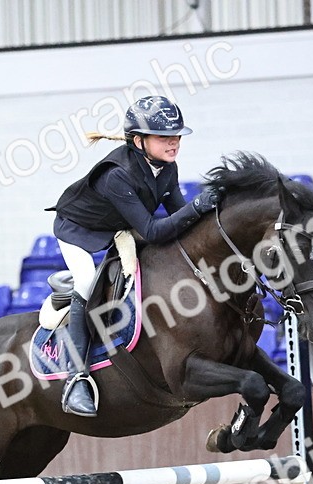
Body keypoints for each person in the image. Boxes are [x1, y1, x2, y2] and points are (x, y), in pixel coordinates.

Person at [48, 95, 222, 417]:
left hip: (118, 228)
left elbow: (178, 215)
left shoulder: (167, 168)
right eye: (164, 137)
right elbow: (154, 230)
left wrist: (212, 212)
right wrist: (198, 207)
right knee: (86, 282)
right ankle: (77, 379)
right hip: (77, 230)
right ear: (139, 141)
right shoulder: (117, 175)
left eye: (177, 136)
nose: (174, 142)